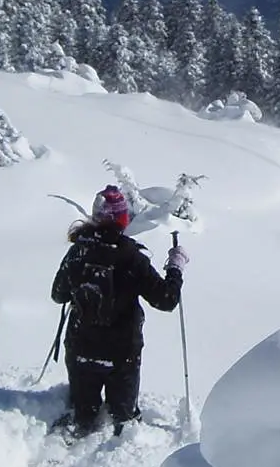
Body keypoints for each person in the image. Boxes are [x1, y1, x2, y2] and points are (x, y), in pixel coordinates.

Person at [50, 184, 188, 438]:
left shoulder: (78, 251)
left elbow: (57, 295)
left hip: (80, 349)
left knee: (83, 415)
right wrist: (175, 268)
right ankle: (116, 450)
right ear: (122, 218)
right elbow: (166, 300)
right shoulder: (131, 257)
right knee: (123, 421)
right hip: (122, 354)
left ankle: (64, 439)